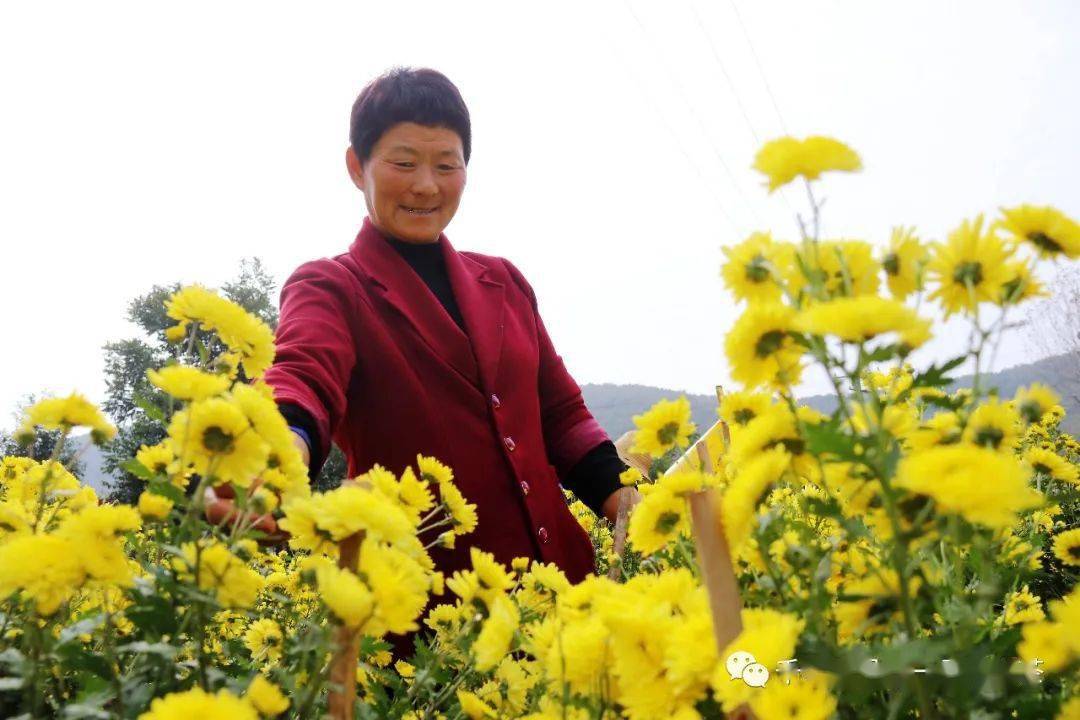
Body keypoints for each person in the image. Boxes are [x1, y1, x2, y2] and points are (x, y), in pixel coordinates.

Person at [207, 66, 637, 584]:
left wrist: (637, 507)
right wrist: (272, 453)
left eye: (446, 164)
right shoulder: (332, 287)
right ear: (355, 165)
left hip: (568, 591)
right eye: (404, 162)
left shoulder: (505, 282)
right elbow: (301, 376)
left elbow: (562, 418)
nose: (426, 185)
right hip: (432, 631)